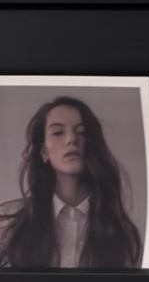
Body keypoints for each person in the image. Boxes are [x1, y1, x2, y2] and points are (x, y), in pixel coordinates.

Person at [0, 96, 141, 267]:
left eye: (82, 132)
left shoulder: (120, 232)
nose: (71, 139)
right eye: (58, 132)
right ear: (44, 152)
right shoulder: (10, 225)